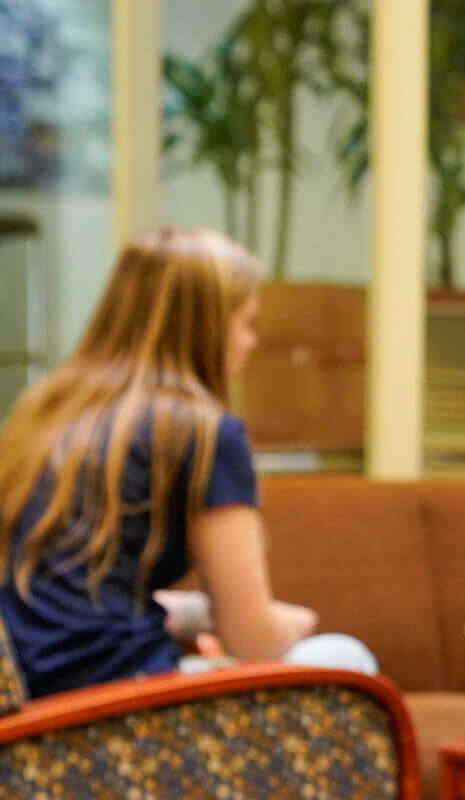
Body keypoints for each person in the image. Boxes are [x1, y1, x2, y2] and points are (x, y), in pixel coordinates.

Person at [0, 228, 374, 699]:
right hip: (113, 705)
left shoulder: (45, 415)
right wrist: (291, 623)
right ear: (207, 330)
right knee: (347, 658)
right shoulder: (204, 432)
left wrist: (194, 612)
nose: (251, 342)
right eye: (246, 323)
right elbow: (253, 641)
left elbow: (62, 590)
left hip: (28, 706)